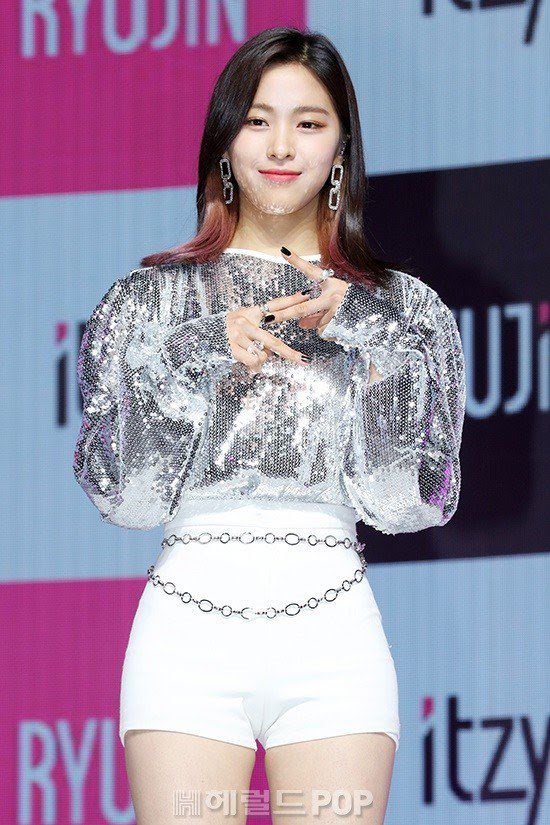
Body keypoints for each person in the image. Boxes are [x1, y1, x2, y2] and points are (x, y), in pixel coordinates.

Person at [73, 27, 466, 825]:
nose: (282, 146)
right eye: (258, 120)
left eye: (309, 123)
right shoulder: (147, 304)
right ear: (225, 140)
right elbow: (124, 495)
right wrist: (198, 349)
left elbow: (412, 501)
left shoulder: (405, 312)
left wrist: (364, 329)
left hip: (332, 636)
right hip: (187, 634)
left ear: (341, 151)